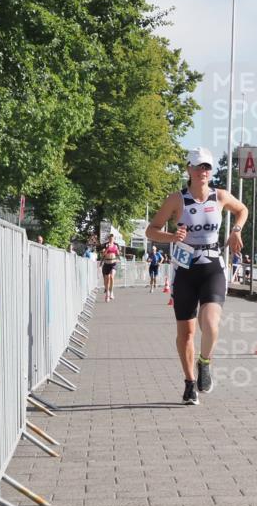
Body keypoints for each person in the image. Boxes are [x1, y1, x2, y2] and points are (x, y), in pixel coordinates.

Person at [145, 147, 248, 405]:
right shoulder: (176, 200)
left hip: (212, 266)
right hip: (185, 270)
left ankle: (205, 362)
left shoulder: (220, 196)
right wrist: (171, 237)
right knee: (186, 333)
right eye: (199, 166)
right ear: (188, 169)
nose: (204, 171)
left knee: (211, 324)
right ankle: (190, 382)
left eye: (207, 167)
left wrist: (236, 230)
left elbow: (242, 210)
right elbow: (151, 230)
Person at [100, 234, 120, 301]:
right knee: (107, 279)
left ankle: (111, 292)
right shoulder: (105, 245)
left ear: (114, 239)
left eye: (112, 238)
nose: (111, 240)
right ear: (108, 239)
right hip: (106, 263)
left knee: (111, 277)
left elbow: (118, 254)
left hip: (113, 263)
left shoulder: (116, 245)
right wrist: (107, 248)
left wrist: (117, 252)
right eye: (110, 238)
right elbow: (103, 254)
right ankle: (107, 293)